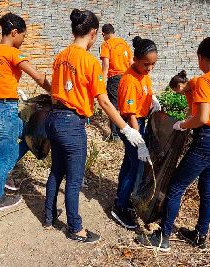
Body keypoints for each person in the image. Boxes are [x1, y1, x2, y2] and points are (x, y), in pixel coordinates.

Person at [44, 9, 149, 243]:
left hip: (54, 119)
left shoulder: (60, 56)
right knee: (73, 179)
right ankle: (76, 228)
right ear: (93, 34)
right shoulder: (90, 62)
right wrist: (125, 128)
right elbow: (103, 100)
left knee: (56, 171)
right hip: (72, 124)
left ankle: (49, 217)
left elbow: (53, 92)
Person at [137, 35, 210, 251]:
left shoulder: (205, 81)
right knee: (207, 189)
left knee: (175, 187)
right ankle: (200, 236)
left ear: (201, 58)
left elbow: (201, 118)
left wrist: (183, 125)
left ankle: (163, 237)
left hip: (207, 140)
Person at [0, 12, 51, 212]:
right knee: (4, 158)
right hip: (5, 110)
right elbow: (38, 77)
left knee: (29, 136)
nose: (23, 40)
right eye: (23, 35)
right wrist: (54, 92)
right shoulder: (12, 53)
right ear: (14, 32)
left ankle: (6, 172)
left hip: (1, 107)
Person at [111, 36, 161, 229]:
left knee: (129, 163)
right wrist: (138, 140)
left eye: (153, 64)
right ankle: (120, 206)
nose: (149, 68)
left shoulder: (143, 74)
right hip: (131, 125)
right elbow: (131, 115)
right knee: (136, 168)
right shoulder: (129, 80)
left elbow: (146, 88)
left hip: (140, 120)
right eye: (146, 64)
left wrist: (152, 99)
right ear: (136, 60)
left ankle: (121, 197)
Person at [100, 23, 134, 141]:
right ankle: (125, 131)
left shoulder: (106, 44)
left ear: (103, 34)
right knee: (124, 105)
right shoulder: (124, 43)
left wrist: (101, 81)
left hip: (114, 78)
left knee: (113, 106)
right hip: (126, 77)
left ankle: (115, 135)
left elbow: (106, 65)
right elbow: (131, 63)